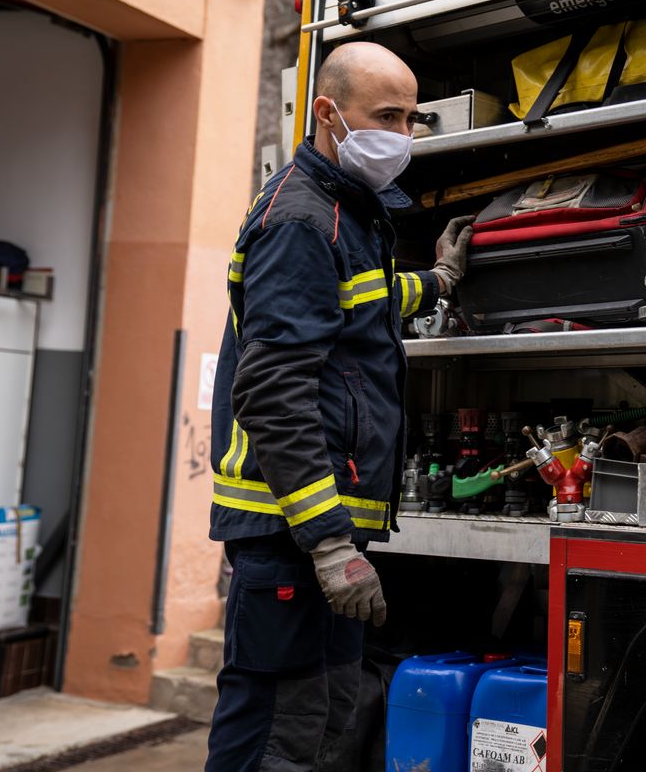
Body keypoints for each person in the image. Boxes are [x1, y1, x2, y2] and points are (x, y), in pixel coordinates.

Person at [204, 42, 473, 771]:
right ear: (328, 113)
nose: (404, 136)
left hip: (318, 536)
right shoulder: (301, 219)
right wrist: (326, 543)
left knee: (319, 725)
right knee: (274, 736)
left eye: (411, 119)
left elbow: (362, 304)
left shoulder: (345, 216)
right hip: (292, 535)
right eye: (387, 116)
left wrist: (441, 281)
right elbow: (274, 390)